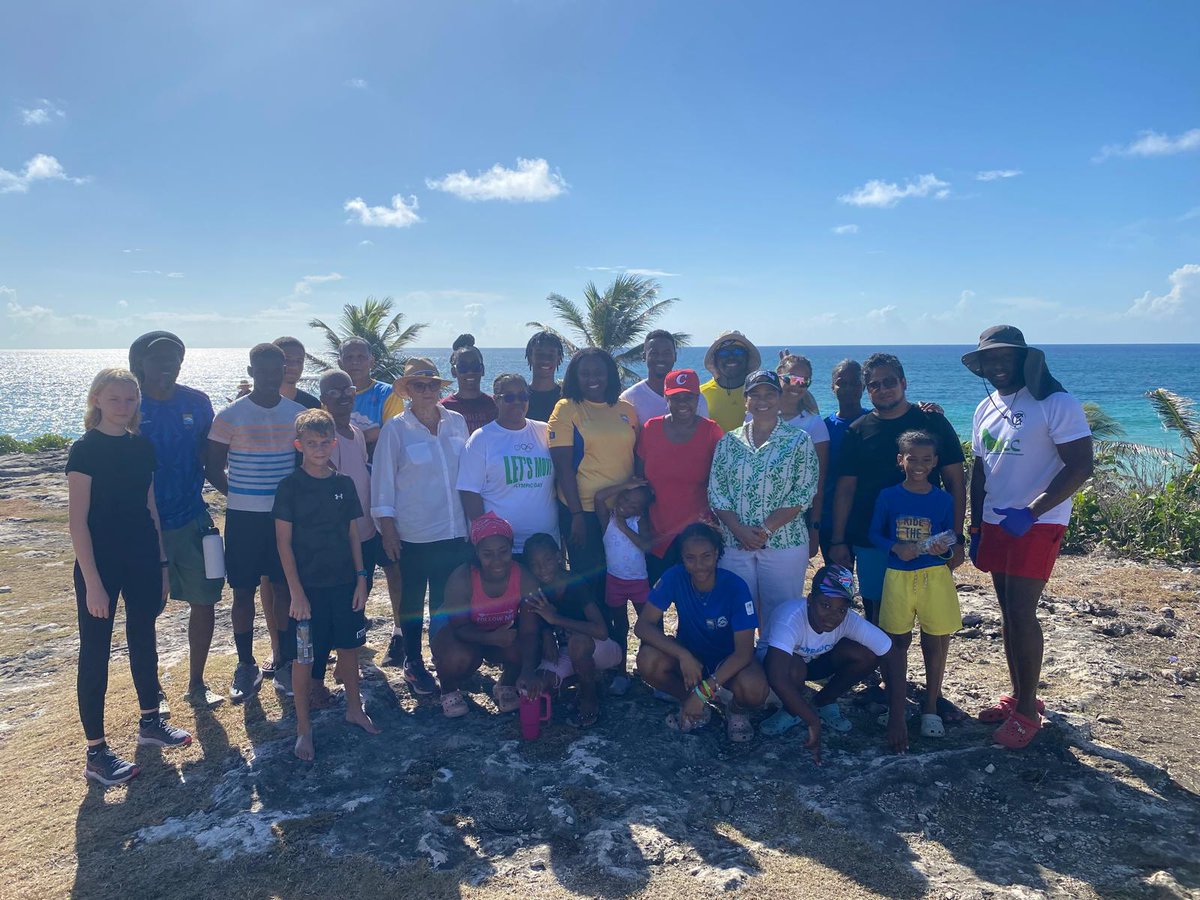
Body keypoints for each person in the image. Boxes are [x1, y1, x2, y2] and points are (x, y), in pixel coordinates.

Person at [963, 326, 1093, 750]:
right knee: (1006, 612)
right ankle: (1021, 698)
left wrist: (1033, 511)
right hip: (997, 521)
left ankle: (1024, 716)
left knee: (1022, 612)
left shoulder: (1057, 403)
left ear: (1023, 360)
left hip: (1037, 523)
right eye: (989, 360)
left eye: (1005, 358)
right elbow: (981, 467)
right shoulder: (985, 406)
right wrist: (977, 524)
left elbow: (1080, 466)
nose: (997, 366)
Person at [68, 369, 192, 786]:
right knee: (96, 653)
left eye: (130, 399)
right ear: (97, 400)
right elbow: (77, 524)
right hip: (100, 563)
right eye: (115, 399)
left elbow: (151, 509)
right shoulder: (85, 450)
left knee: (144, 639)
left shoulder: (142, 447)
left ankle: (150, 721)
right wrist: (93, 582)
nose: (124, 406)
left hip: (142, 557)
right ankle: (97, 751)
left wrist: (161, 565)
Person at [828, 352, 966, 626]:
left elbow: (955, 483)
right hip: (872, 540)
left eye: (889, 381)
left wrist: (957, 538)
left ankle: (930, 672)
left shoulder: (932, 421)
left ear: (904, 382)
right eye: (874, 385)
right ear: (867, 391)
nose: (883, 389)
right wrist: (838, 540)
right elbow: (845, 490)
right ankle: (883, 670)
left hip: (929, 539)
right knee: (878, 618)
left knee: (932, 623)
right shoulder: (857, 430)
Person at [273, 410, 379, 760]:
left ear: (334, 444)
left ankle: (354, 707)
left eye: (324, 443)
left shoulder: (343, 484)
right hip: (307, 590)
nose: (319, 449)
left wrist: (361, 579)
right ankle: (304, 728)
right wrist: (296, 592)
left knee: (349, 649)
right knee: (304, 658)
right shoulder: (290, 486)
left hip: (345, 584)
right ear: (299, 444)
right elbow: (283, 543)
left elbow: (353, 535)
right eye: (311, 443)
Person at [128, 331, 225, 709]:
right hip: (143, 524)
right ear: (141, 363)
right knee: (147, 607)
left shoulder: (198, 403)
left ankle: (196, 683)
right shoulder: (128, 403)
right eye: (157, 358)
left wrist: (242, 493)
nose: (166, 364)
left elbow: (212, 456)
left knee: (205, 600)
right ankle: (152, 691)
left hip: (191, 516)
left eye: (173, 357)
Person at [208, 344, 306, 700]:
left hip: (283, 519)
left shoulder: (298, 413)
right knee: (243, 591)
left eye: (276, 369)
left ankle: (282, 661)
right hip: (243, 518)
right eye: (261, 370)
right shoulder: (230, 415)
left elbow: (302, 462)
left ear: (285, 371)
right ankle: (246, 662)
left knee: (282, 588)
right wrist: (238, 495)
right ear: (251, 372)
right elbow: (212, 465)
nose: (269, 376)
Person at [371, 358, 470, 696]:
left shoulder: (457, 422)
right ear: (408, 390)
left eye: (432, 384)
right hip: (414, 533)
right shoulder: (395, 429)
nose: (426, 391)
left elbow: (469, 475)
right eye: (418, 385)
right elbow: (382, 481)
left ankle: (446, 660)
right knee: (412, 601)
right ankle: (413, 662)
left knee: (446, 602)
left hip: (455, 529)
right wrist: (387, 528)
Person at [869, 430, 962, 752]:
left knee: (935, 639)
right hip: (898, 575)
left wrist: (943, 547)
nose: (919, 465)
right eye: (912, 459)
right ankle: (897, 704)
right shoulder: (888, 496)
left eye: (926, 460)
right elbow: (874, 534)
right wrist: (895, 546)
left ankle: (931, 706)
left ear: (935, 462)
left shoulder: (943, 499)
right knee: (896, 642)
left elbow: (951, 540)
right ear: (900, 460)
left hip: (934, 576)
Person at [709, 370, 819, 635]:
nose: (763, 400)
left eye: (770, 393)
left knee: (781, 613)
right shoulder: (728, 442)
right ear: (746, 400)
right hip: (735, 544)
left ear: (780, 398)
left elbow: (803, 492)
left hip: (785, 543)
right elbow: (717, 492)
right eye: (755, 394)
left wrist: (764, 530)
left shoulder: (799, 441)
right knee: (738, 610)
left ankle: (776, 667)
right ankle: (744, 669)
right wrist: (740, 531)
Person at [635, 523, 768, 742]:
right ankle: (694, 705)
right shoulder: (674, 577)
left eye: (706, 556)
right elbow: (643, 626)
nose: (699, 565)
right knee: (647, 660)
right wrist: (683, 655)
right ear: (682, 557)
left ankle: (735, 710)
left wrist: (704, 690)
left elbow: (743, 653)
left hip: (728, 660)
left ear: (717, 554)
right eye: (690, 558)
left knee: (755, 690)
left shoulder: (735, 587)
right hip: (692, 659)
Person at [760, 565, 891, 759]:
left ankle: (824, 700)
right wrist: (812, 721)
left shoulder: (847, 620)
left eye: (841, 609)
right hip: (778, 664)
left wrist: (897, 718)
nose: (832, 615)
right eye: (826, 605)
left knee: (868, 655)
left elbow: (889, 650)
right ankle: (791, 711)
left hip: (815, 661)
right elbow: (776, 676)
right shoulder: (790, 617)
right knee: (794, 669)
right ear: (811, 600)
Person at [547, 348, 638, 604]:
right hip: (583, 513)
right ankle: (593, 640)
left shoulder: (626, 409)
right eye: (584, 373)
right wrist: (576, 515)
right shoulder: (566, 408)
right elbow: (563, 467)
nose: (592, 378)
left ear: (610, 373)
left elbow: (632, 456)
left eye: (598, 372)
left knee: (619, 578)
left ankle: (616, 641)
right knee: (589, 582)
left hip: (621, 511)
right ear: (574, 376)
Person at [314, 368, 381, 702]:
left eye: (348, 390)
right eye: (334, 392)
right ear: (323, 398)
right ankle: (317, 679)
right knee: (335, 608)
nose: (342, 397)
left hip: (366, 532)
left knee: (360, 597)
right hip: (340, 540)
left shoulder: (355, 431)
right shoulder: (325, 439)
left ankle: (344, 665)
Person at [431, 513, 540, 718]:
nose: (497, 560)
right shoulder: (462, 578)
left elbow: (530, 630)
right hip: (456, 633)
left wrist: (528, 670)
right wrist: (490, 638)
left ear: (511, 548)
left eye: (503, 551)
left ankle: (506, 684)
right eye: (488, 554)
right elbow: (459, 627)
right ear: (476, 553)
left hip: (497, 632)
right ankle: (448, 689)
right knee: (460, 657)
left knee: (523, 646)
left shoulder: (524, 577)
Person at [516, 532, 620, 727]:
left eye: (547, 560)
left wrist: (555, 619)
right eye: (535, 564)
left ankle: (590, 700)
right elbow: (534, 627)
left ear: (558, 557)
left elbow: (601, 631)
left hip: (603, 648)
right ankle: (589, 680)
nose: (542, 568)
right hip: (570, 651)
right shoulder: (537, 590)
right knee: (540, 685)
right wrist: (547, 632)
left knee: (578, 642)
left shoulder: (575, 583)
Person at [635, 368, 724, 584]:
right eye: (675, 397)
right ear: (666, 398)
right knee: (655, 600)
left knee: (698, 602)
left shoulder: (712, 432)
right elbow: (639, 478)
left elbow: (723, 482)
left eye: (689, 397)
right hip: (658, 534)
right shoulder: (651, 428)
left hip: (699, 538)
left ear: (698, 398)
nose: (682, 403)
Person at [457, 373, 559, 554]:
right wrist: (487, 538)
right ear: (496, 400)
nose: (517, 402)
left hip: (545, 547)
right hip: (503, 551)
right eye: (509, 397)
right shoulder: (481, 439)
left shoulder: (544, 431)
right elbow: (469, 492)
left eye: (523, 396)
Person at [594, 479, 654, 694]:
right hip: (615, 581)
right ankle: (621, 672)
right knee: (621, 626)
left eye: (634, 505)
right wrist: (624, 485)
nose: (626, 505)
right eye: (625, 498)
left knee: (649, 624)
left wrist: (624, 527)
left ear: (641, 510)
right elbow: (599, 497)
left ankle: (649, 668)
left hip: (639, 582)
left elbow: (647, 545)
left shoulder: (640, 522)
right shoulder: (607, 519)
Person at [772, 352, 830, 553]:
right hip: (756, 515)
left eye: (804, 381)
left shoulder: (814, 424)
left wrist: (814, 529)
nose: (797, 385)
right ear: (778, 375)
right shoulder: (756, 415)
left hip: (795, 520)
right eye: (791, 378)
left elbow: (818, 484)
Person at [820, 360, 868, 557]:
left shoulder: (875, 421)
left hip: (867, 518)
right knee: (838, 582)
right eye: (842, 382)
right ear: (833, 387)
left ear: (863, 386)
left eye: (855, 383)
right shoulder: (824, 428)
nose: (848, 388)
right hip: (830, 518)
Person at [619, 330, 709, 424]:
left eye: (667, 353)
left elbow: (705, 432)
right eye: (654, 353)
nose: (660, 358)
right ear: (644, 356)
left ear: (675, 356)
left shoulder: (695, 398)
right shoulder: (630, 398)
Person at [337, 337, 404, 455]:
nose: (355, 362)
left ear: (371, 361)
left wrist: (348, 439)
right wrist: (369, 435)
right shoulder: (333, 395)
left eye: (361, 357)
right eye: (349, 357)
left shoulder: (388, 393)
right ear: (340, 363)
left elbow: (394, 435)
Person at [699, 331, 761, 432]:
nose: (731, 357)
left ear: (747, 357)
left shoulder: (761, 394)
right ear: (715, 360)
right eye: (723, 353)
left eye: (738, 352)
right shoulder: (700, 395)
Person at [440, 334, 498, 434]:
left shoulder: (495, 405)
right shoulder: (443, 408)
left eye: (475, 366)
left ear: (482, 369)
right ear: (454, 371)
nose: (470, 371)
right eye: (463, 367)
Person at [525, 330, 565, 422]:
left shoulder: (566, 397)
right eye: (539, 354)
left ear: (558, 358)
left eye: (551, 354)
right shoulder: (520, 398)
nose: (545, 360)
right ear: (530, 357)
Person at [273, 336, 322, 408]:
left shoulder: (312, 405)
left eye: (299, 361)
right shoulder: (257, 402)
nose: (294, 366)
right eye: (287, 359)